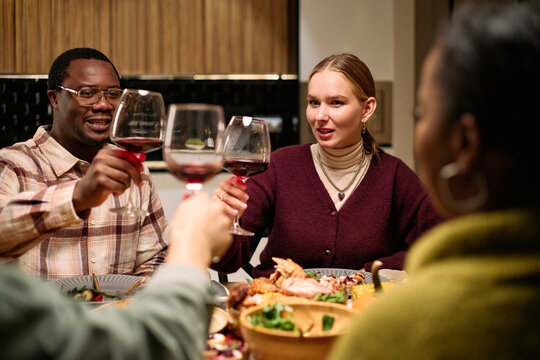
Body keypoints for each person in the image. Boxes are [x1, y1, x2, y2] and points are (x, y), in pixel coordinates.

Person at [329, 3, 540, 359]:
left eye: (421, 113)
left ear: (466, 142)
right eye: (313, 102)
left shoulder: (393, 332)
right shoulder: (283, 163)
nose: (322, 116)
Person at [213, 53, 442, 278]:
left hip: (364, 311)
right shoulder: (280, 167)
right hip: (281, 308)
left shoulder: (394, 176)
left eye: (336, 103)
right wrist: (220, 222)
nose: (320, 116)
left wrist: (374, 271)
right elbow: (229, 260)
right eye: (314, 102)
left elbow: (440, 245)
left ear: (367, 109)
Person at [0, 48, 168, 280]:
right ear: (54, 98)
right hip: (39, 316)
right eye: (87, 93)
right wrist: (78, 196)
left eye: (112, 93)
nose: (103, 104)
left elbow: (157, 256)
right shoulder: (13, 164)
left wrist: (137, 301)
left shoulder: (130, 167)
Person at [1, 193, 232, 359]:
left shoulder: (134, 172)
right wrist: (192, 243)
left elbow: (157, 255)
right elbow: (150, 344)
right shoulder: (11, 165)